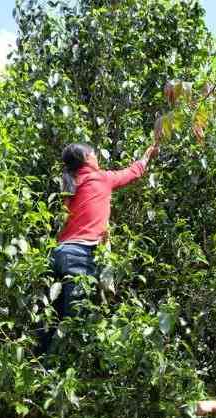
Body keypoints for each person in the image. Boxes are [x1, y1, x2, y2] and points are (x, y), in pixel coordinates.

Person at [39, 142, 158, 353]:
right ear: (87, 158)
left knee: (50, 319)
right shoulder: (101, 178)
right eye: (94, 154)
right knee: (75, 321)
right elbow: (132, 172)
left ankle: (40, 365)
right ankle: (62, 373)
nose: (96, 157)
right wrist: (147, 156)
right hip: (80, 254)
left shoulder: (70, 184)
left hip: (58, 253)